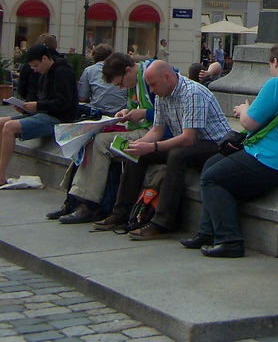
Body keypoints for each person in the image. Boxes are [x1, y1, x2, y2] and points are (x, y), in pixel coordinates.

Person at [181, 44, 278, 258]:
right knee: (212, 164)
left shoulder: (277, 84)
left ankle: (229, 240)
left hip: (272, 159)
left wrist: (243, 109)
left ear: (275, 62)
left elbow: (249, 122)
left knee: (212, 178)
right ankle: (206, 232)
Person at [92, 61, 230, 239]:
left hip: (213, 144)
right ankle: (121, 212)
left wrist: (152, 146)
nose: (151, 89)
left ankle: (162, 222)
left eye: (153, 84)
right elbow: (157, 131)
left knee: (177, 155)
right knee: (137, 154)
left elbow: (188, 138)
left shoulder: (192, 93)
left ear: (167, 77)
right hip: (190, 141)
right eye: (149, 85)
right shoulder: (162, 94)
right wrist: (138, 146)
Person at [53, 51, 157, 224]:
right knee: (88, 140)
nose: (122, 88)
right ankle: (74, 200)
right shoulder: (135, 81)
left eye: (121, 83)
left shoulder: (150, 78)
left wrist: (144, 113)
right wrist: (127, 112)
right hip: (142, 128)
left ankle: (89, 203)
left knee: (100, 143)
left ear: (128, 70)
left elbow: (166, 114)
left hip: (152, 132)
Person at [0, 43, 80, 185]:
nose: (35, 70)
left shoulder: (62, 72)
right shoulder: (45, 73)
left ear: (45, 58)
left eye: (36, 66)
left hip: (58, 118)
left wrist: (37, 105)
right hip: (45, 113)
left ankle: (1, 175)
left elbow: (64, 103)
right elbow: (44, 101)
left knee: (9, 127)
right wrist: (27, 108)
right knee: (1, 122)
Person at [78, 44, 127, 116]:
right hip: (121, 111)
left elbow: (82, 97)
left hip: (98, 111)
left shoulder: (89, 70)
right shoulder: (120, 69)